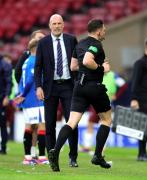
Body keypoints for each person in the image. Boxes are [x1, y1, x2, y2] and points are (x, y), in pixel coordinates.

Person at [48, 19, 112, 172]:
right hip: (94, 87)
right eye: (104, 29)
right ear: (98, 31)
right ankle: (97, 155)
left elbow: (73, 66)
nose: (105, 31)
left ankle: (55, 151)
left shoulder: (80, 43)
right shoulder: (96, 45)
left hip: (79, 87)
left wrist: (86, 71)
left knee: (71, 122)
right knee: (106, 119)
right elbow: (87, 60)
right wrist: (101, 68)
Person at [34, 14, 78, 167]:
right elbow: (38, 66)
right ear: (49, 25)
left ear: (63, 24)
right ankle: (52, 156)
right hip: (49, 87)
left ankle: (73, 157)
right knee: (50, 124)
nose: (57, 26)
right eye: (54, 23)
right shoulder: (43, 43)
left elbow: (77, 62)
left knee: (72, 122)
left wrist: (78, 83)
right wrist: (38, 86)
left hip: (68, 86)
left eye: (59, 23)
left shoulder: (71, 40)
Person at [14, 39, 49, 165]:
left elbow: (22, 79)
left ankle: (28, 157)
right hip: (35, 98)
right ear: (38, 49)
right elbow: (30, 79)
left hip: (27, 99)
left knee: (29, 126)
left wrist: (21, 94)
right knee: (42, 125)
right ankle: (41, 157)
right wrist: (23, 94)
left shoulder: (26, 61)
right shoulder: (35, 61)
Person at [0, 54, 12, 154]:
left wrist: (7, 96)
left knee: (2, 124)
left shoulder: (5, 64)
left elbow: (9, 82)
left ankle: (3, 147)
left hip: (1, 98)